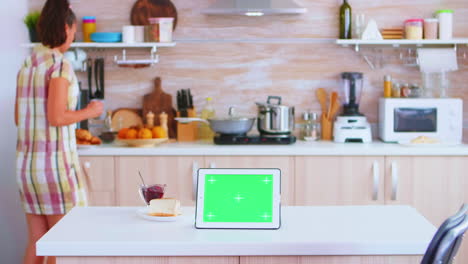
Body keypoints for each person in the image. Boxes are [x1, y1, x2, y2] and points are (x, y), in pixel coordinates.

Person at [15, 0, 103, 263]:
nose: (73, 35)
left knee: (37, 243)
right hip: (54, 169)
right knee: (61, 246)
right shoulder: (60, 65)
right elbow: (56, 117)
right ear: (66, 28)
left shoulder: (28, 64)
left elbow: (19, 119)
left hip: (27, 168)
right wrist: (91, 111)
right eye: (74, 30)